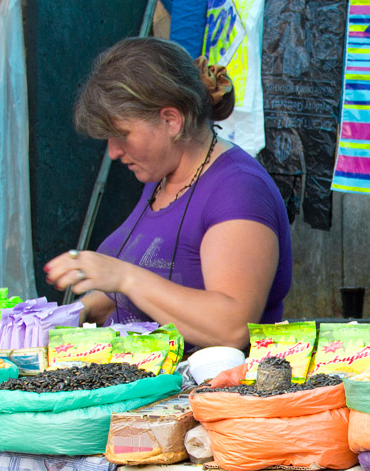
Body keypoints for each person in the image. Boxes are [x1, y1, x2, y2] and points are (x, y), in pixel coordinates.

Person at [44, 37, 293, 351]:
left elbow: (232, 328)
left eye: (121, 135)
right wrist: (79, 310)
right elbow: (143, 290)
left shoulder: (238, 190)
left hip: (209, 390)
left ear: (171, 121)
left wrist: (124, 276)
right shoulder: (161, 176)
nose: (113, 152)